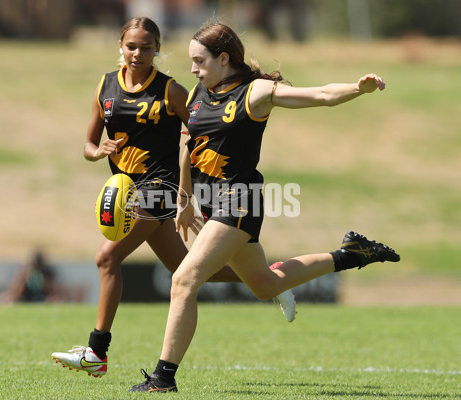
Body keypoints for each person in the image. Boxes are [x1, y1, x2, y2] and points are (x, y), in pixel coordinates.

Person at [129, 22, 400, 392]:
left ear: (223, 58)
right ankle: (350, 254)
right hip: (210, 203)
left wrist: (358, 87)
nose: (192, 68)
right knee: (264, 285)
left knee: (183, 280)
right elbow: (187, 149)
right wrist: (185, 199)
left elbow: (319, 94)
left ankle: (163, 378)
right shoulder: (198, 92)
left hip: (239, 200)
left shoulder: (254, 92)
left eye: (199, 60)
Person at [50, 17, 295, 378]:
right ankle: (274, 280)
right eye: (131, 46)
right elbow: (87, 144)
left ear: (157, 49)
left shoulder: (171, 91)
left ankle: (96, 352)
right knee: (189, 273)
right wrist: (98, 150)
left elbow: (204, 130)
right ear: (120, 45)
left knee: (107, 258)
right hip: (127, 191)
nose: (138, 53)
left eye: (146, 47)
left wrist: (189, 194)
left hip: (159, 191)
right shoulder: (105, 87)